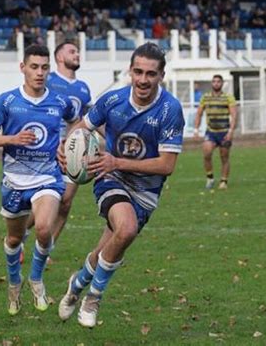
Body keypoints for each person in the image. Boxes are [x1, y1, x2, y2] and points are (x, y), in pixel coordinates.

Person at [57, 42, 185, 328]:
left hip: (146, 191)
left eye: (150, 74)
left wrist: (118, 161)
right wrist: (65, 147)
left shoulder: (170, 110)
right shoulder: (112, 100)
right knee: (125, 230)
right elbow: (83, 127)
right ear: (130, 71)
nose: (142, 79)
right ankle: (93, 298)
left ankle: (77, 284)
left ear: (161, 75)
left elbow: (167, 165)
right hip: (110, 178)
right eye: (137, 72)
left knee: (108, 246)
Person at [0, 44, 79, 316]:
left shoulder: (58, 101)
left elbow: (78, 122)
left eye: (45, 67)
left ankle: (36, 278)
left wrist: (69, 143)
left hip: (48, 177)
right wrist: (11, 138)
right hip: (13, 182)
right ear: (23, 68)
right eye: (34, 67)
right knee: (14, 238)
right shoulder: (8, 101)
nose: (40, 72)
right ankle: (14, 282)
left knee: (44, 228)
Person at [22, 42, 92, 257]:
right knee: (45, 197)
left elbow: (86, 119)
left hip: (73, 150)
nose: (77, 54)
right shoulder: (49, 81)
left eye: (78, 51)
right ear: (59, 56)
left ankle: (45, 250)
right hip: (48, 148)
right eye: (72, 51)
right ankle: (22, 234)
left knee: (66, 202)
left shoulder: (83, 88)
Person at [193, 74, 237, 190]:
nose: (216, 83)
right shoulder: (205, 97)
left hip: (224, 132)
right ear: (211, 83)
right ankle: (210, 178)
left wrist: (231, 131)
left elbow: (234, 115)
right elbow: (199, 113)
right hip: (211, 132)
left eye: (218, 81)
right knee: (206, 153)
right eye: (214, 81)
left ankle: (223, 181)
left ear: (222, 84)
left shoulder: (228, 97)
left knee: (224, 157)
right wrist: (196, 130)